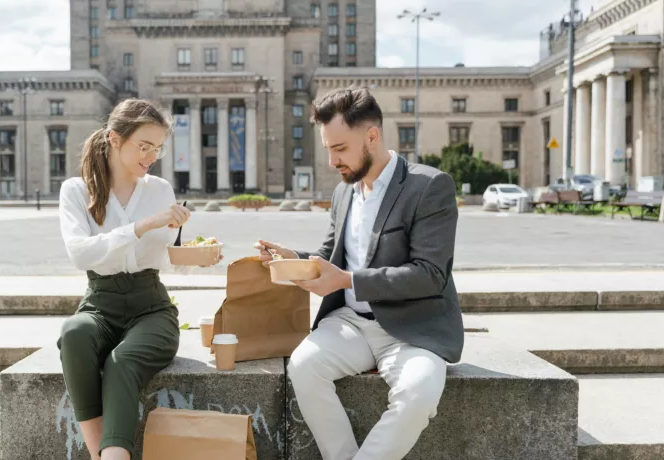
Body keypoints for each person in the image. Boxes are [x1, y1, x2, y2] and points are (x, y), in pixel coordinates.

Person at [256, 87, 464, 460]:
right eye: (328, 150)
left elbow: (431, 274)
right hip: (349, 324)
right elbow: (332, 254)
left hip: (412, 330)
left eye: (340, 149)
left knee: (418, 395)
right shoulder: (344, 191)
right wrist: (293, 257)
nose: (333, 160)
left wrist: (349, 280)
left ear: (372, 136)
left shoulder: (429, 186)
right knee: (303, 368)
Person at [57, 99, 209, 460]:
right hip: (99, 303)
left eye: (157, 148)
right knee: (73, 334)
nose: (152, 156)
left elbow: (168, 257)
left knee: (121, 361)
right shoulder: (76, 191)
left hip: (151, 307)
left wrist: (196, 257)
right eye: (144, 146)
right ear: (114, 138)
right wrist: (141, 226)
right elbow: (80, 253)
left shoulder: (159, 190)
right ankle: (101, 455)